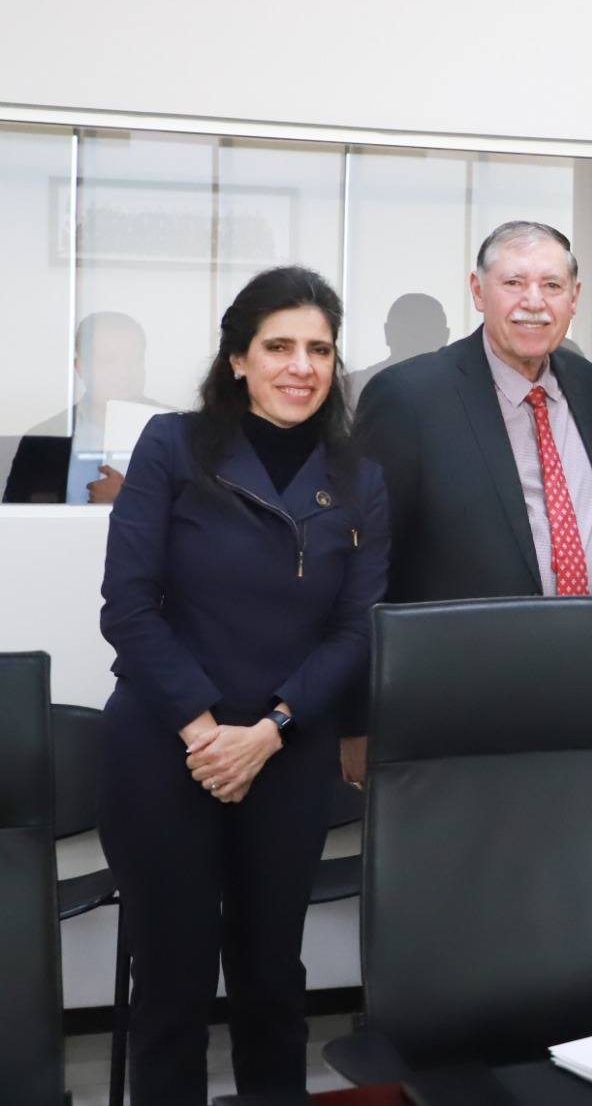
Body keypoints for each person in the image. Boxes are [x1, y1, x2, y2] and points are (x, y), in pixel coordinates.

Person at [98, 267, 389, 1104]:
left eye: (319, 350)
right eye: (279, 346)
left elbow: (355, 630)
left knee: (271, 981)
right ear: (238, 358)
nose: (301, 366)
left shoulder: (359, 477)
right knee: (172, 983)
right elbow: (128, 606)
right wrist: (206, 735)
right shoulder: (172, 446)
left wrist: (268, 732)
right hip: (165, 749)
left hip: (287, 752)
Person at [350, 221, 592, 777]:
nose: (534, 302)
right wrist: (356, 716)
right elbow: (364, 565)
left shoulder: (585, 383)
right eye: (513, 283)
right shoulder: (409, 397)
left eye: (552, 285)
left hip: (590, 677)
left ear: (574, 298)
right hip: (459, 697)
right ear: (478, 290)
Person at [3, 311, 168, 504]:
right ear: (80, 367)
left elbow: (195, 513)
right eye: (109, 360)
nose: (124, 371)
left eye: (134, 359)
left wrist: (128, 499)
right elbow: (17, 515)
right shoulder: (41, 441)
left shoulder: (179, 431)